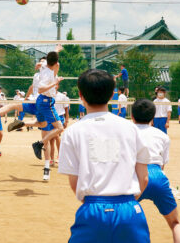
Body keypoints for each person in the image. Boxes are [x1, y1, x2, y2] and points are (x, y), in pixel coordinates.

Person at [58, 69, 151, 242]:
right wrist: (127, 200)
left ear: (80, 95)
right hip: (129, 208)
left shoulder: (72, 132)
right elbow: (144, 178)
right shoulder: (131, 128)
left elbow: (74, 182)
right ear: (111, 95)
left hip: (92, 209)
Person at [132, 99, 180, 243]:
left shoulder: (126, 133)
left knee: (122, 219)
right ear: (153, 117)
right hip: (157, 175)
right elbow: (163, 165)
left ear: (132, 116)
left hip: (135, 177)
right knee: (175, 223)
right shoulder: (162, 135)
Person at [31, 51, 65, 181]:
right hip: (46, 102)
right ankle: (38, 144)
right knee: (58, 129)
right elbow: (40, 89)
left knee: (48, 133)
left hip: (43, 101)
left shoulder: (45, 64)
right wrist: (55, 82)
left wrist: (56, 50)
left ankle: (46, 168)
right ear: (55, 64)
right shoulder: (49, 75)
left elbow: (47, 62)